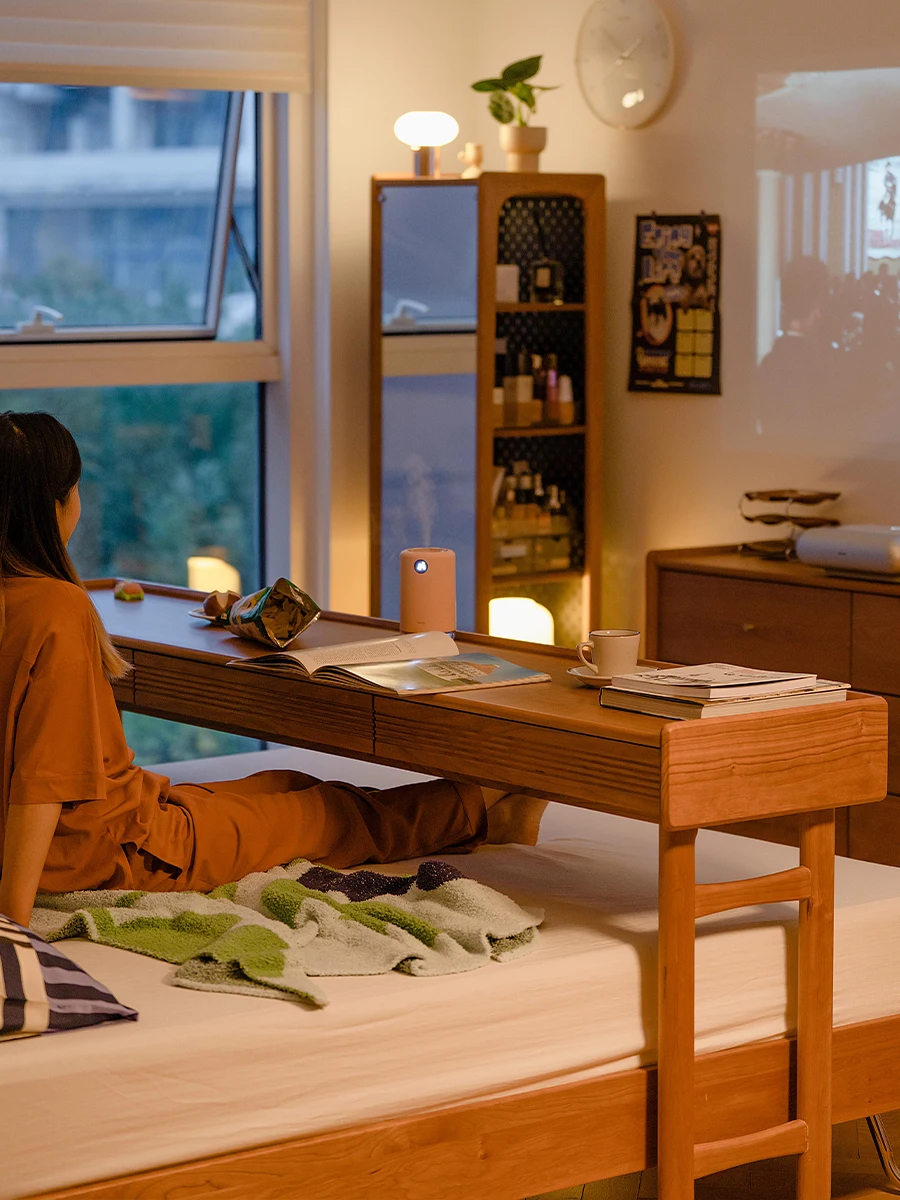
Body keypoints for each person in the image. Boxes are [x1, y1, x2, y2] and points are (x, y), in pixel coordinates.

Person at [0, 412, 545, 928]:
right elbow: (40, 786)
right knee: (327, 813)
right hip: (112, 848)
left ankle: (476, 816)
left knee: (287, 781)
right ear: (57, 503)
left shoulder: (27, 601)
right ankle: (480, 807)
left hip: (113, 817)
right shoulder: (57, 609)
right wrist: (13, 927)